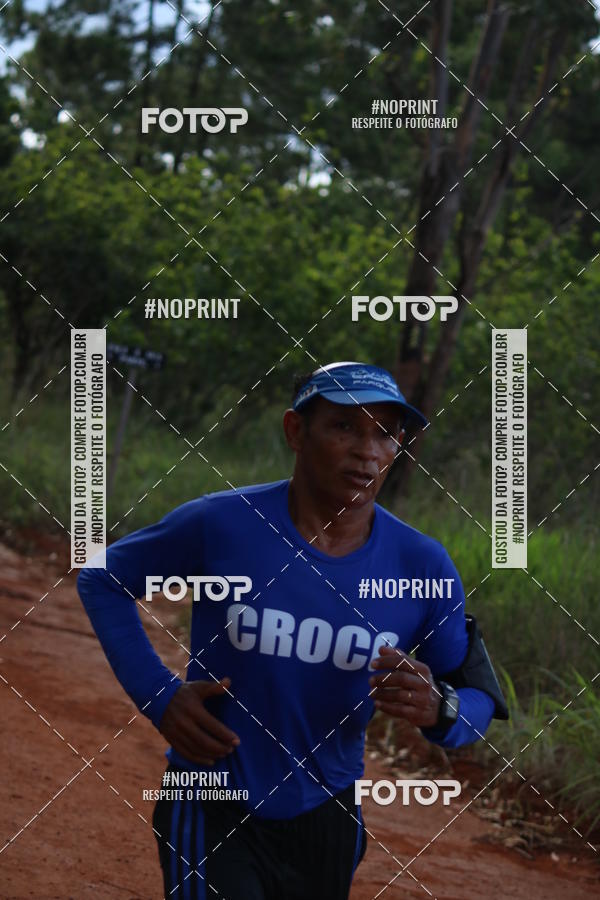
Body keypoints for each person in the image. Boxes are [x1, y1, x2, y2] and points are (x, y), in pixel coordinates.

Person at [77, 361, 508, 900]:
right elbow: (103, 579)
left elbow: (478, 701)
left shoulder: (422, 566)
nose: (366, 451)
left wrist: (440, 707)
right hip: (210, 799)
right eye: (344, 427)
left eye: (384, 433)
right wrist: (159, 697)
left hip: (326, 817)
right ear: (296, 431)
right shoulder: (223, 524)